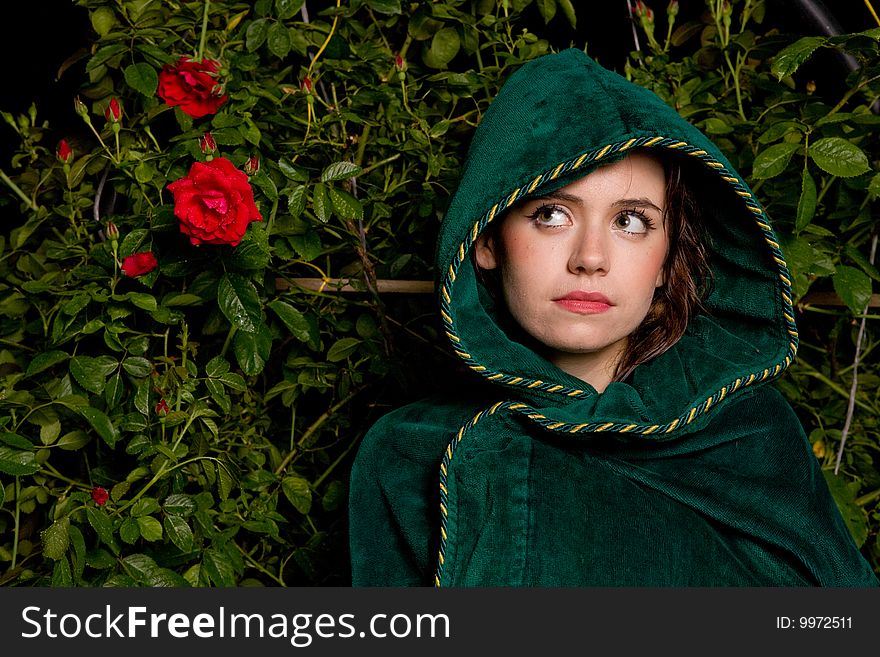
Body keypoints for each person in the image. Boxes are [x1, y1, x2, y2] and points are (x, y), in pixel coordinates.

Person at [348, 49, 879, 586]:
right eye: (551, 215)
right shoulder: (409, 449)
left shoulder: (753, 434)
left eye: (631, 221)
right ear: (486, 240)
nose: (591, 257)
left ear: (668, 261)